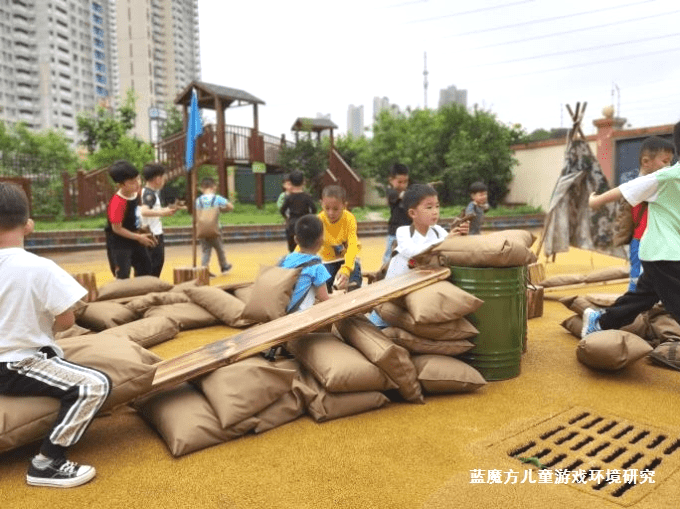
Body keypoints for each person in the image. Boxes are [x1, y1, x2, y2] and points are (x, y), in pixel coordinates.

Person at [0, 183, 111, 488]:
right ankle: (47, 462)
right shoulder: (39, 268)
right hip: (15, 364)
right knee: (95, 385)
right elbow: (66, 319)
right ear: (29, 225)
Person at [582, 122, 680, 338]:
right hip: (663, 254)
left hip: (665, 253)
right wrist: (595, 201)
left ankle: (600, 321)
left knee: (641, 298)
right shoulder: (666, 177)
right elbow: (625, 190)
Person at [369, 183, 468, 327]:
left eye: (437, 206)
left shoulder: (438, 231)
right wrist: (446, 240)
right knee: (379, 323)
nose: (435, 211)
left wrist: (462, 234)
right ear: (412, 213)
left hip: (416, 288)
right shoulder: (403, 232)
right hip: (394, 290)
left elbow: (453, 247)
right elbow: (413, 252)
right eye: (429, 207)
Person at [618, 136, 675, 291]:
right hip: (641, 240)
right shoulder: (643, 185)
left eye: (670, 162)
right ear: (645, 162)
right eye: (665, 162)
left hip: (658, 241)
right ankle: (633, 309)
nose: (669, 166)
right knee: (638, 278)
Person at [105, 160, 156, 279]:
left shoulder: (136, 194)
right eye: (132, 182)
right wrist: (139, 237)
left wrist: (143, 232)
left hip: (136, 237)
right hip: (119, 242)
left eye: (138, 179)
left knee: (146, 268)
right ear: (120, 185)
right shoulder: (117, 202)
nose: (138, 184)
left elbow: (137, 215)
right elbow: (117, 229)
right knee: (123, 274)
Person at [280, 214, 331, 313]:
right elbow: (323, 298)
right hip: (299, 317)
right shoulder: (317, 267)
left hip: (280, 311)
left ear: (296, 240)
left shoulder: (287, 259)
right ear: (321, 241)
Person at [318, 184, 362, 292]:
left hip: (346, 257)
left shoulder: (349, 219)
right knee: (323, 283)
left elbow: (352, 245)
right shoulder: (319, 220)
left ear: (344, 205)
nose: (331, 213)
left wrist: (346, 269)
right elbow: (304, 244)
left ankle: (354, 293)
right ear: (321, 204)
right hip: (328, 260)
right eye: (327, 208)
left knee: (354, 274)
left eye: (336, 209)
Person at [139, 163, 181, 277]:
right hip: (154, 235)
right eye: (163, 178)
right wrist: (162, 212)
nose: (164, 181)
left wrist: (165, 209)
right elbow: (144, 211)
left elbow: (149, 210)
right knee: (154, 267)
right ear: (158, 179)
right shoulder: (149, 194)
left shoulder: (146, 192)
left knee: (147, 268)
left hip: (148, 234)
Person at [196, 177, 233, 276]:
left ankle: (204, 270)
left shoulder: (198, 200)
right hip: (215, 229)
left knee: (205, 250)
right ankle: (224, 265)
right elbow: (230, 206)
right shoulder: (217, 198)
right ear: (213, 187)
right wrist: (220, 209)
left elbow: (197, 214)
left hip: (202, 230)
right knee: (219, 248)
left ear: (202, 188)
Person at [280, 170, 317, 252]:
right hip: (304, 224)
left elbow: (282, 210)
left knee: (292, 248)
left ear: (291, 182)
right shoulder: (307, 197)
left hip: (292, 224)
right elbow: (314, 209)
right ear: (303, 182)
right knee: (305, 247)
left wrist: (287, 218)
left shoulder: (289, 197)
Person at [383, 163, 411, 265]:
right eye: (399, 182)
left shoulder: (407, 192)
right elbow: (399, 196)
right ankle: (385, 276)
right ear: (391, 180)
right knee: (389, 258)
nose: (403, 185)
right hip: (394, 233)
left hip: (408, 231)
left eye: (405, 182)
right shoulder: (390, 192)